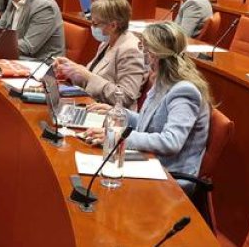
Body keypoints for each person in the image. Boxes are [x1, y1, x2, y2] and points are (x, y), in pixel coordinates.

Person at [83, 23, 211, 192]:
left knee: (101, 182)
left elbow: (171, 142)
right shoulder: (161, 80)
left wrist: (121, 137)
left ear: (157, 55)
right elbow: (150, 122)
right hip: (150, 163)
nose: (143, 55)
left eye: (146, 50)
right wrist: (118, 112)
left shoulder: (184, 90)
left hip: (170, 177)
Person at [53, 0, 146, 108]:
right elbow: (90, 77)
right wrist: (71, 70)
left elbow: (125, 98)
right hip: (93, 104)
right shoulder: (107, 42)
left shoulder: (130, 50)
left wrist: (87, 75)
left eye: (95, 23)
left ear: (113, 25)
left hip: (111, 116)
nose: (92, 27)